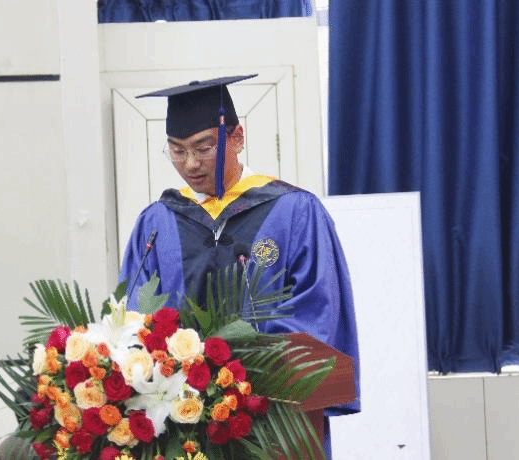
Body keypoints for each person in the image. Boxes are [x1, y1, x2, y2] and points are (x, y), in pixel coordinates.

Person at [119, 75, 360, 458]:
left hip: (272, 419)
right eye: (177, 150)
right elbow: (135, 317)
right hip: (182, 424)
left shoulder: (294, 211)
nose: (191, 164)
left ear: (237, 138)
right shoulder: (157, 222)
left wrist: (240, 376)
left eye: (203, 147)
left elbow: (318, 311)